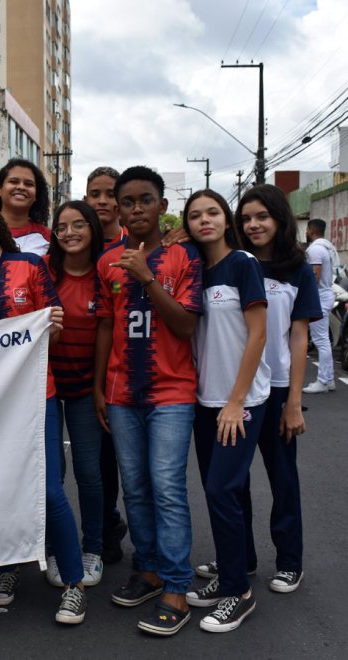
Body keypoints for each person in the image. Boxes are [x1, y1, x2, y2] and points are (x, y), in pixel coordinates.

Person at [0, 196, 86, 625]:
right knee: (0, 488)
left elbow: (52, 333)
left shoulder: (30, 266)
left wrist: (55, 329)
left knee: (48, 490)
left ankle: (74, 584)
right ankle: (9, 568)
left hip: (36, 395)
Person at [193, 184, 319, 596]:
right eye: (246, 218)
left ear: (280, 219)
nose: (253, 224)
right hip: (239, 386)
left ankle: (289, 562)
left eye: (262, 216)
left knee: (282, 478)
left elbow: (298, 337)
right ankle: (240, 559)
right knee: (235, 482)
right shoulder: (229, 263)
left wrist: (295, 401)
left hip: (277, 388)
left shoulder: (295, 268)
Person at [94, 166, 202, 636]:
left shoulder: (185, 257)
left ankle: (177, 586)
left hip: (172, 392)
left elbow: (185, 325)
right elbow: (105, 326)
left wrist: (147, 277)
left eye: (146, 199)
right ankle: (152, 569)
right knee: (135, 487)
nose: (137, 208)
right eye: (128, 201)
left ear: (162, 205)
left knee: (167, 488)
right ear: (118, 209)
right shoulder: (105, 262)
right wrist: (100, 387)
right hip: (121, 393)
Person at [182, 190, 269, 633]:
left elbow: (257, 336)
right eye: (195, 215)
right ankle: (243, 563)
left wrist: (236, 401)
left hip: (241, 401)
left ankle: (237, 592)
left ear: (226, 217)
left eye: (212, 212)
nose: (204, 220)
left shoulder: (243, 264)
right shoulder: (196, 270)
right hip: (204, 400)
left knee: (219, 490)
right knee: (231, 491)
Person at [45, 201, 105, 588]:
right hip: (47, 386)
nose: (69, 233)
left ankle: (93, 548)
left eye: (78, 225)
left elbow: (107, 333)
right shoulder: (44, 270)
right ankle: (55, 548)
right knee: (53, 476)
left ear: (92, 228)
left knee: (89, 473)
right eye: (62, 226)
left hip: (86, 388)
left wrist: (100, 389)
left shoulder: (105, 272)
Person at [82, 166, 128, 564]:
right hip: (72, 367)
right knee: (90, 460)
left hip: (123, 372)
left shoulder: (137, 246)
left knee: (110, 457)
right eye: (93, 193)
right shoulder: (75, 244)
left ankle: (110, 526)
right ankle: (104, 523)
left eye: (109, 193)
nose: (101, 201)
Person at [0, 158, 52, 256]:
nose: (21, 187)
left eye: (29, 184)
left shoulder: (48, 237)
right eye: (14, 181)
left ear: (36, 196)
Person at [302, 218, 338, 393]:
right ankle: (329, 379)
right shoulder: (327, 247)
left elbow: (314, 277)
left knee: (321, 340)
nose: (306, 233)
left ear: (311, 230)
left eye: (307, 230)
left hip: (319, 297)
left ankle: (323, 381)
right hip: (325, 295)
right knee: (322, 340)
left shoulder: (315, 249)